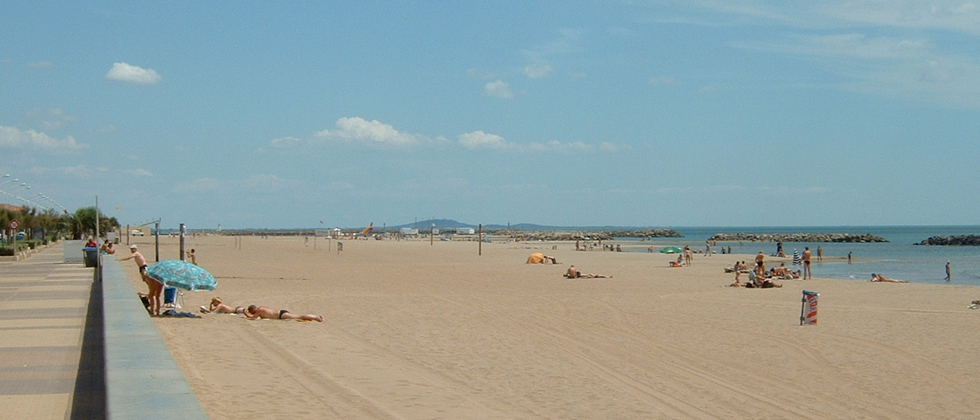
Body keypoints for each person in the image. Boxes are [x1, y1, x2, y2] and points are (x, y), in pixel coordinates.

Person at [119, 245, 164, 316]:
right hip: (144, 269)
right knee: (156, 296)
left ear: (135, 249)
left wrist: (120, 259)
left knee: (152, 294)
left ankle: (153, 310)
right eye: (131, 249)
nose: (132, 250)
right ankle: (157, 311)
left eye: (133, 249)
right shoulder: (160, 278)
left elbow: (129, 258)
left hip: (143, 267)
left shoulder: (136, 253)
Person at [243, 305, 323, 322]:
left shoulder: (259, 310)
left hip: (281, 315)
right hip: (281, 313)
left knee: (299, 316)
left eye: (251, 312)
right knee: (298, 317)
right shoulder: (262, 308)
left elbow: (253, 318)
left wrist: (245, 314)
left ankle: (316, 317)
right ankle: (312, 318)